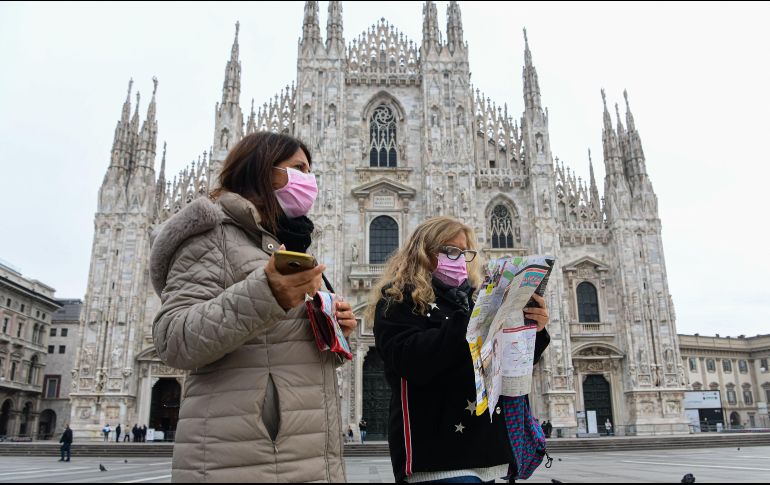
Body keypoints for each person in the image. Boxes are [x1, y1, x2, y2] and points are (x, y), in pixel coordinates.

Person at [151, 131, 357, 482]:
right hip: (241, 457)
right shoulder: (213, 235)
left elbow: (278, 347)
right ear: (263, 169)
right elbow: (172, 339)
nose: (310, 181)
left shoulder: (288, 243)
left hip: (306, 453)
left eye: (311, 172)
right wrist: (267, 294)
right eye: (299, 169)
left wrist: (334, 331)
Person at [372, 217, 551, 484]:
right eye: (450, 250)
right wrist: (474, 319)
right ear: (423, 252)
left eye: (464, 252)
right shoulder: (398, 299)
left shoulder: (471, 299)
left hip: (485, 451)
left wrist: (533, 329)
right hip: (437, 455)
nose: (459, 259)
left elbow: (503, 365)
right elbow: (410, 360)